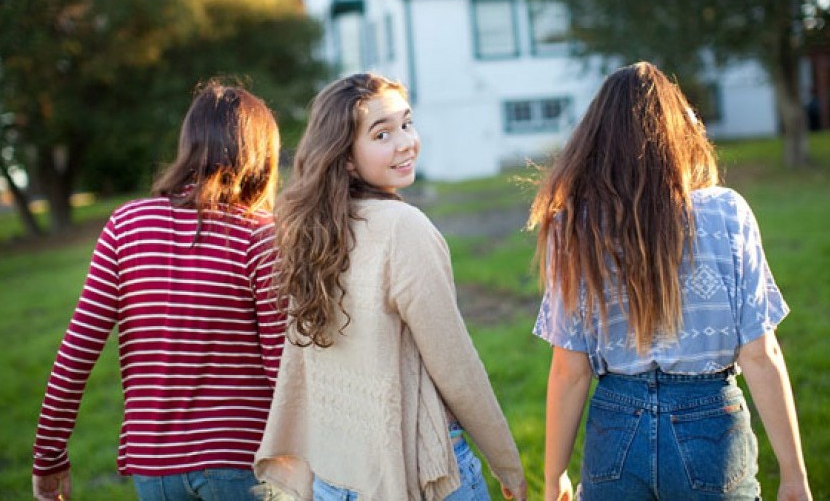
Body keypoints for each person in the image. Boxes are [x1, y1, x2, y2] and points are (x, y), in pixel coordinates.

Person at [529, 62, 812, 501]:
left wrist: (553, 476)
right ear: (681, 131)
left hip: (615, 432)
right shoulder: (727, 213)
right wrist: (794, 476)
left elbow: (570, 370)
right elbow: (761, 354)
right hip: (711, 427)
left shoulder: (573, 228)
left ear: (595, 141)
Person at [253, 73, 527, 501]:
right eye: (382, 134)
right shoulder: (404, 228)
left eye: (407, 123)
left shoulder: (312, 230)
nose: (406, 143)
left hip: (334, 476)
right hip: (415, 471)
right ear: (344, 157)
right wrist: (507, 464)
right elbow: (455, 365)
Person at [32, 79, 287, 501]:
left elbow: (78, 348)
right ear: (262, 155)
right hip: (245, 459)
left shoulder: (127, 226)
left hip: (155, 468)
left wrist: (49, 455)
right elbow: (282, 370)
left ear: (188, 145)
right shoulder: (262, 237)